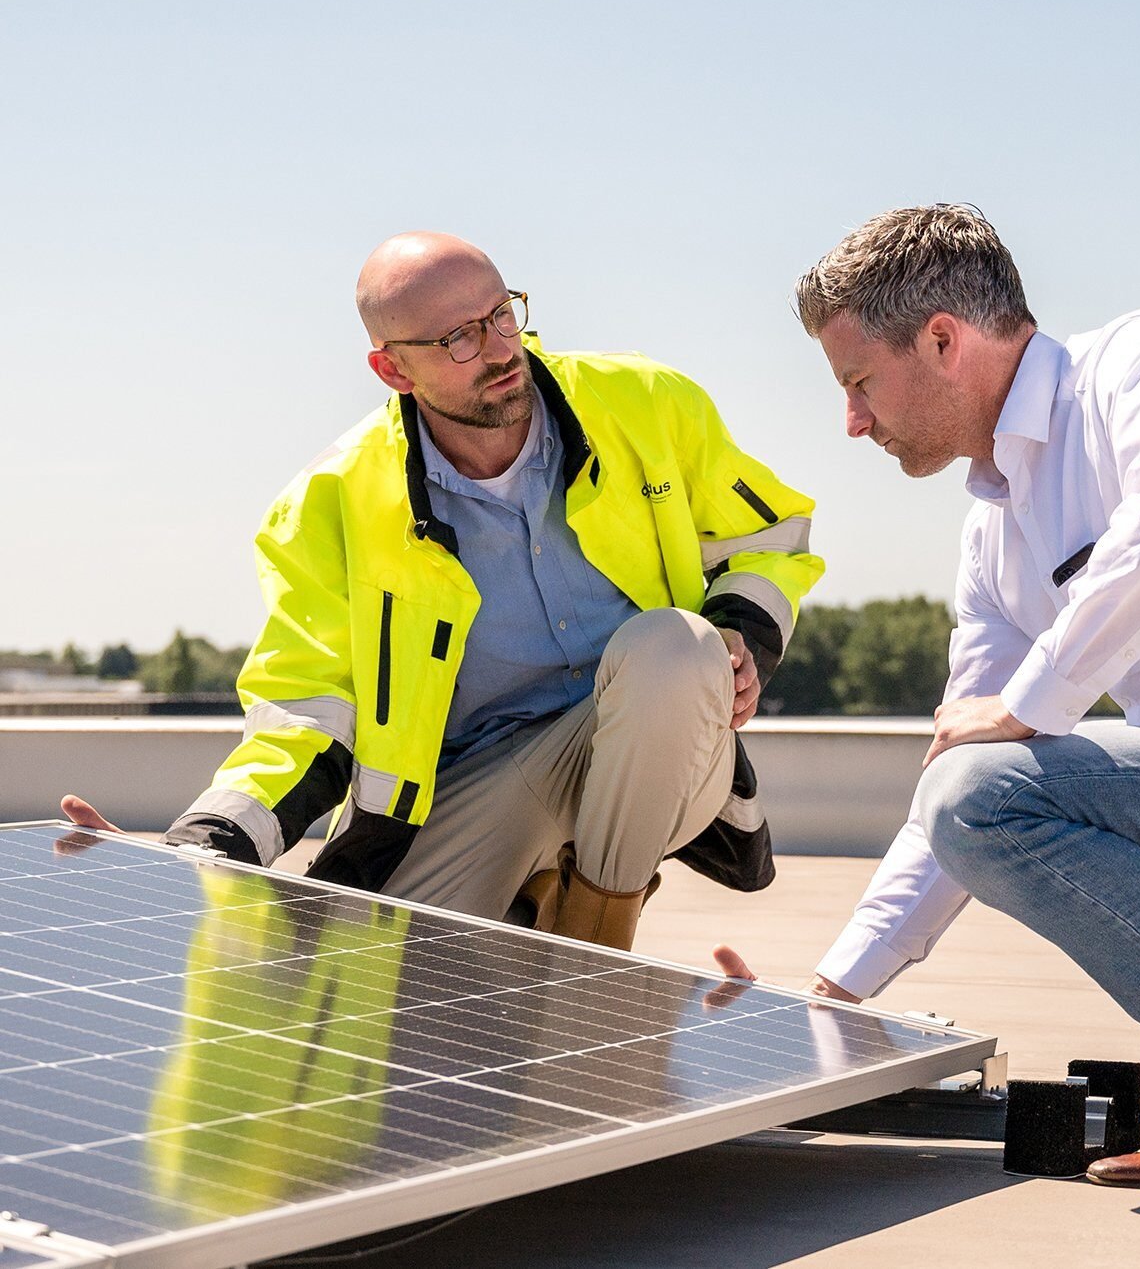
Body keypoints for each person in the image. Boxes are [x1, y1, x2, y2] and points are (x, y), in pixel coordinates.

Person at [724, 203, 1140, 1189]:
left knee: (984, 783)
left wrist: (1037, 699)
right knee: (971, 794)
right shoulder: (996, 535)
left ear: (942, 339)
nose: (851, 422)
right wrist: (835, 993)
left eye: (859, 383)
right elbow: (959, 797)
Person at [65, 232, 823, 952]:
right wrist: (203, 845)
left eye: (501, 314)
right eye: (457, 338)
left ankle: (591, 956)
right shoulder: (335, 502)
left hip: (660, 756)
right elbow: (307, 710)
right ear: (393, 371)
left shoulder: (647, 402)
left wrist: (739, 633)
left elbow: (768, 535)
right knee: (357, 998)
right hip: (475, 783)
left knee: (676, 647)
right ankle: (533, 897)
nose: (499, 350)